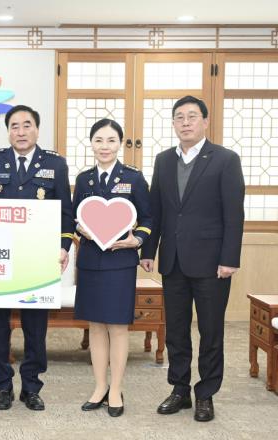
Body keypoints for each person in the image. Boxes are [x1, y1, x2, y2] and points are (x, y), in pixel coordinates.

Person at [140, 95, 245, 422]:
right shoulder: (163, 160)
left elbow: (234, 214)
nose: (185, 123)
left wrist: (229, 258)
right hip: (173, 260)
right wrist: (148, 251)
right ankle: (179, 389)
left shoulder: (225, 159)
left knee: (211, 332)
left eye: (192, 116)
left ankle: (206, 394)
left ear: (205, 121)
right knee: (176, 330)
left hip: (213, 264)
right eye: (179, 117)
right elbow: (156, 209)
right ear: (174, 123)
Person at [0, 104, 75, 411]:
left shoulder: (55, 164)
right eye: (15, 126)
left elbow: (66, 213)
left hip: (37, 260)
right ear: (8, 131)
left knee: (35, 328)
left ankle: (31, 387)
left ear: (37, 129)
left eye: (27, 125)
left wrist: (64, 246)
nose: (21, 132)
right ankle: (3, 387)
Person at [72, 118, 152, 417]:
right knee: (95, 326)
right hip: (91, 261)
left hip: (120, 263)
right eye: (98, 140)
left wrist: (137, 240)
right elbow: (75, 216)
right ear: (91, 144)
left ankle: (116, 389)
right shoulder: (84, 179)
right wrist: (80, 229)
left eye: (111, 140)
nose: (104, 146)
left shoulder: (133, 177)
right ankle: (99, 386)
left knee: (117, 327)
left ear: (120, 143)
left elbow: (148, 218)